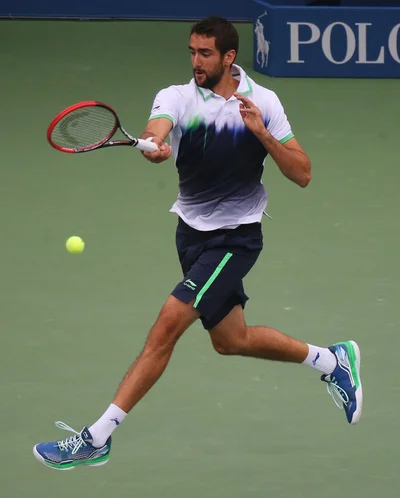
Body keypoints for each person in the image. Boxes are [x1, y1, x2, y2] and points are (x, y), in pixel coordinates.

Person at [33, 16, 362, 470]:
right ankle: (331, 361)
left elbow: (302, 173)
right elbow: (158, 129)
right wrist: (156, 145)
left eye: (205, 53)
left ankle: (98, 436)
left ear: (229, 57)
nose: (196, 62)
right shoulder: (177, 96)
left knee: (167, 325)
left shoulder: (264, 102)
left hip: (237, 239)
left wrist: (263, 134)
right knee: (231, 340)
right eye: (192, 52)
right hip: (190, 234)